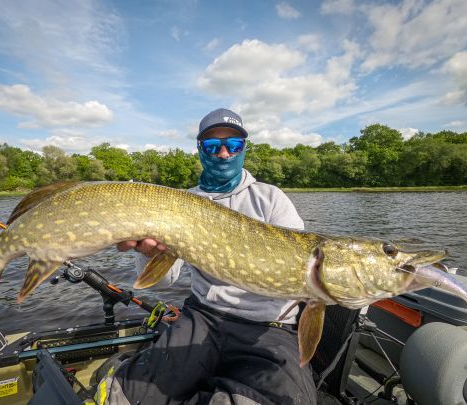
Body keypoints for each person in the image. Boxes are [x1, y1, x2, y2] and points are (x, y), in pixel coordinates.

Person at [102, 108, 317, 404]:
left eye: (234, 145)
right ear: (201, 151)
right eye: (213, 146)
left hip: (268, 327)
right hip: (202, 316)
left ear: (244, 149)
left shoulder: (271, 198)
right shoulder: (178, 203)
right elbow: (165, 282)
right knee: (125, 396)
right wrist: (146, 253)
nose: (224, 153)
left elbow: (299, 262)